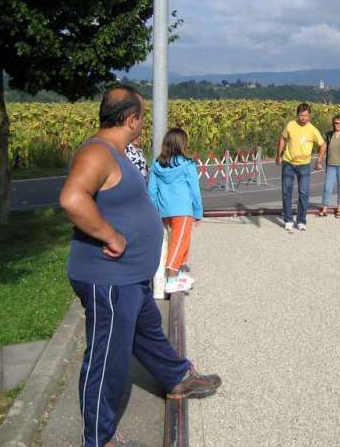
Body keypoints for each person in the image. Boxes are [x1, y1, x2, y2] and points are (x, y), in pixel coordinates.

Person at [59, 86, 220, 447]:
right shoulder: (97, 153)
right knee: (108, 362)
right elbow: (71, 198)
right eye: (142, 118)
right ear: (131, 120)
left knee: (148, 333)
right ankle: (98, 439)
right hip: (109, 280)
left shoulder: (115, 153)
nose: (144, 125)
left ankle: (176, 377)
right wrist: (112, 237)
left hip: (131, 279)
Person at [148, 128, 203, 294]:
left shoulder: (157, 165)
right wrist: (198, 212)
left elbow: (151, 190)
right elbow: (195, 190)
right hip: (183, 210)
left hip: (165, 211)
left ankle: (178, 274)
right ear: (182, 145)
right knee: (180, 243)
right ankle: (172, 278)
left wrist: (156, 209)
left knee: (178, 241)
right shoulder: (188, 165)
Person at [275, 103, 326, 231]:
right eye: (301, 115)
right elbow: (282, 139)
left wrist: (319, 160)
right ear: (297, 115)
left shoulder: (312, 130)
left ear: (309, 116)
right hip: (288, 163)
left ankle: (301, 220)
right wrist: (279, 155)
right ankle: (288, 220)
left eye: (306, 115)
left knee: (303, 193)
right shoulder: (290, 125)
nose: (303, 118)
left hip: (304, 164)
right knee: (286, 191)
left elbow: (323, 145)